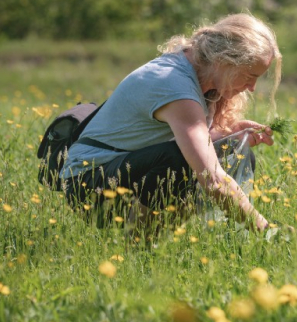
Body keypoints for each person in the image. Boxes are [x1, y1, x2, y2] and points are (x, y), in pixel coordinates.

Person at [60, 13, 281, 232]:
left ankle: (152, 241)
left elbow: (183, 140)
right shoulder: (175, 86)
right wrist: (267, 231)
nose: (252, 87)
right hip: (87, 183)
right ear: (225, 61)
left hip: (120, 171)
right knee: (179, 161)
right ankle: (136, 243)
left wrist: (230, 134)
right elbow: (212, 180)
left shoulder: (199, 72)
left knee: (235, 149)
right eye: (250, 76)